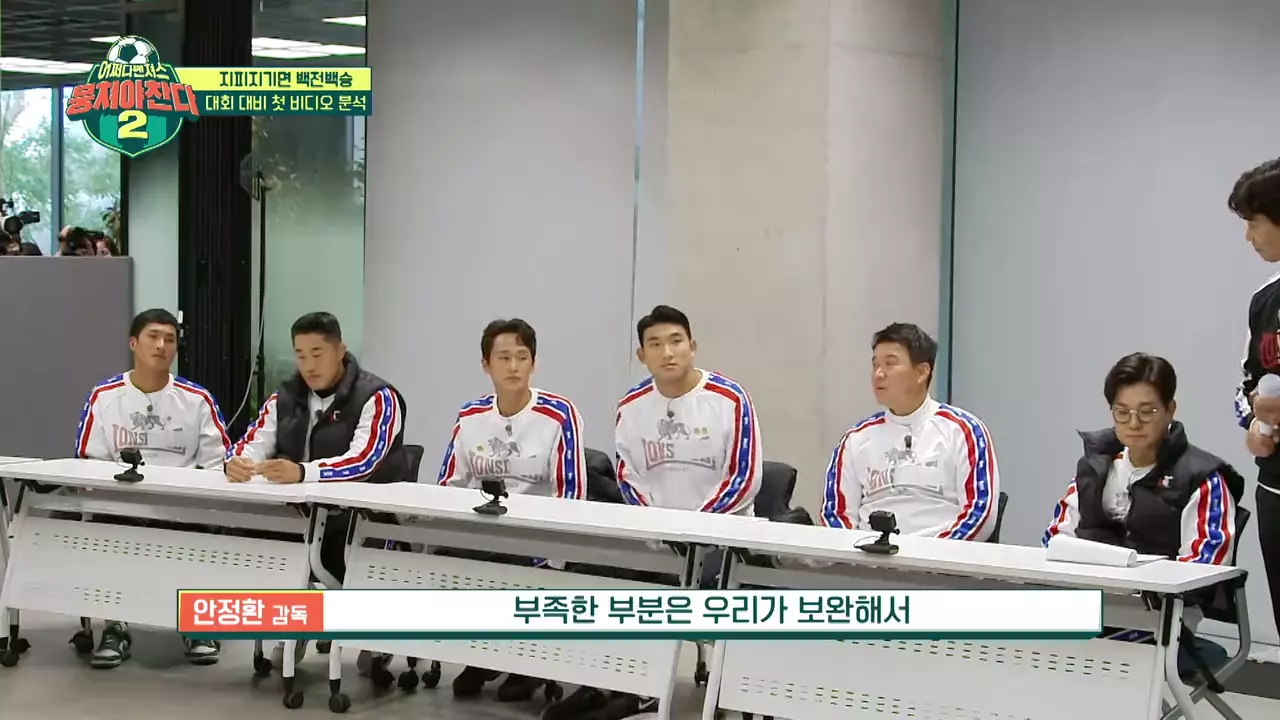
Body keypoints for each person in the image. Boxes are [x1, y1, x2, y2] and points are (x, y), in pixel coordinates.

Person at [545, 305, 761, 720]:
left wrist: (692, 530)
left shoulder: (730, 400)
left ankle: (642, 690)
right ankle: (600, 683)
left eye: (676, 341)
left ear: (693, 346)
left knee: (659, 586)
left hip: (720, 543)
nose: (668, 352)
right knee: (594, 576)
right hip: (656, 539)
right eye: (656, 344)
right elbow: (628, 475)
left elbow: (744, 478)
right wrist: (661, 529)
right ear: (642, 355)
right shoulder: (631, 405)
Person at [225, 312, 409, 667]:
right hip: (300, 517)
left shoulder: (377, 397)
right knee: (251, 544)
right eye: (300, 355)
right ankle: (301, 622)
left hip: (359, 520)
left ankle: (370, 632)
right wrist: (237, 462)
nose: (308, 365)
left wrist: (303, 472)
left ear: (340, 350)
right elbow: (253, 442)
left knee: (333, 556)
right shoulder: (286, 395)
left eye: (317, 353)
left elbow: (364, 461)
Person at [1043, 353, 1244, 675]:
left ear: (1170, 410)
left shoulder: (1202, 478)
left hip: (1164, 620)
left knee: (1082, 659)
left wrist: (1137, 587)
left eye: (1147, 411)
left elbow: (1204, 567)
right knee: (990, 623)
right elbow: (1055, 539)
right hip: (1091, 608)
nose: (1134, 424)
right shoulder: (1095, 468)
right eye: (1122, 412)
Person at [435, 318, 586, 702]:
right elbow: (449, 484)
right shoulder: (470, 416)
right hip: (482, 535)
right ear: (486, 364)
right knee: (448, 559)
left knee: (510, 565)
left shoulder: (559, 414)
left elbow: (571, 493)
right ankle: (481, 654)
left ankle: (525, 663)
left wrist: (551, 547)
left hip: (537, 540)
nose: (514, 366)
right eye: (503, 357)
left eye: (522, 357)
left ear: (534, 363)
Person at [73, 308, 231, 668]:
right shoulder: (104, 396)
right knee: (104, 528)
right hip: (121, 506)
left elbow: (218, 463)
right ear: (133, 343)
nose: (162, 345)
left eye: (170, 339)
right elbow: (87, 460)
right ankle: (115, 625)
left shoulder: (197, 399)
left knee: (201, 531)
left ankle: (197, 622)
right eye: (153, 337)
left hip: (182, 508)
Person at [820, 322, 999, 540]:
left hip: (939, 556)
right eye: (875, 365)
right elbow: (835, 515)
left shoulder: (964, 431)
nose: (878, 374)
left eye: (890, 364)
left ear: (922, 372)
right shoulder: (855, 439)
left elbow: (980, 514)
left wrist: (934, 556)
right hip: (868, 555)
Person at [1230, 156, 1280, 652]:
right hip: (1276, 488)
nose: (1249, 237)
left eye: (1255, 222)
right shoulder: (1265, 301)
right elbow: (1246, 383)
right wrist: (1251, 419)